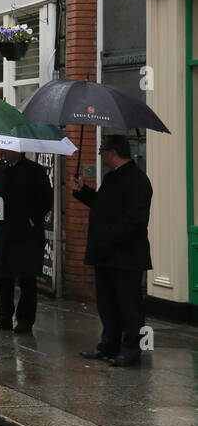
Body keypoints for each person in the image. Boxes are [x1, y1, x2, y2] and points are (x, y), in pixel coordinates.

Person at [73, 135, 153, 367]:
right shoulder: (112, 177)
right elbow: (103, 205)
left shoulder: (137, 180)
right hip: (106, 254)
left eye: (101, 150)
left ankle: (130, 350)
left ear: (113, 152)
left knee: (129, 305)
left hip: (125, 255)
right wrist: (83, 191)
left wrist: (108, 237)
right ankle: (108, 344)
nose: (100, 154)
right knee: (107, 304)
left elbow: (135, 220)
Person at [0, 149, 53, 333]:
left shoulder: (34, 170)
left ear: (17, 150)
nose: (2, 153)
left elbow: (46, 199)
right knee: (2, 276)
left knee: (27, 279)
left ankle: (25, 320)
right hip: (5, 232)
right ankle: (4, 317)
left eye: (6, 149)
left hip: (27, 235)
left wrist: (32, 219)